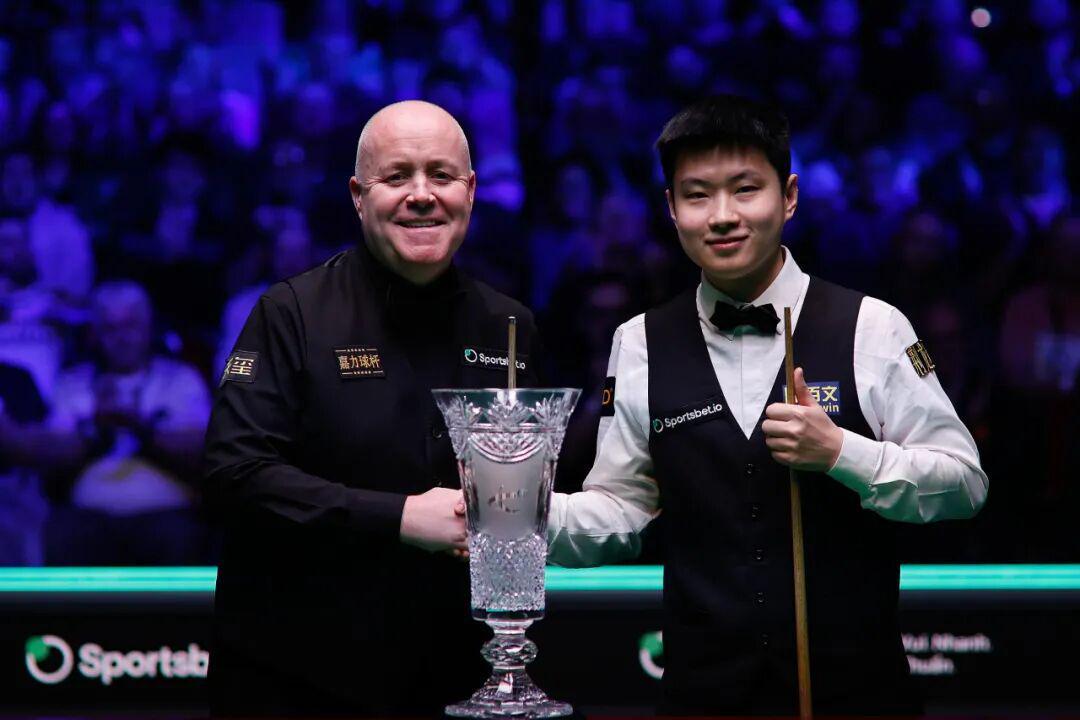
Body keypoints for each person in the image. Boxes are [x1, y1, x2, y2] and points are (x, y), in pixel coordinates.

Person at [547, 95, 988, 715]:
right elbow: (620, 512)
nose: (722, 216)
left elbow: (965, 484)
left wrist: (841, 452)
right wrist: (510, 511)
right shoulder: (638, 341)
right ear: (671, 208)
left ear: (789, 197)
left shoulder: (875, 326)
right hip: (701, 699)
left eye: (745, 189)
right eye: (697, 195)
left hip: (855, 697)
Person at [202, 101, 543, 716]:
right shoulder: (291, 313)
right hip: (299, 676)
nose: (422, 195)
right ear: (359, 197)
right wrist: (401, 517)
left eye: (441, 175)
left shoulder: (510, 326)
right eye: (397, 176)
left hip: (456, 676)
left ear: (470, 192)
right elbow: (234, 474)